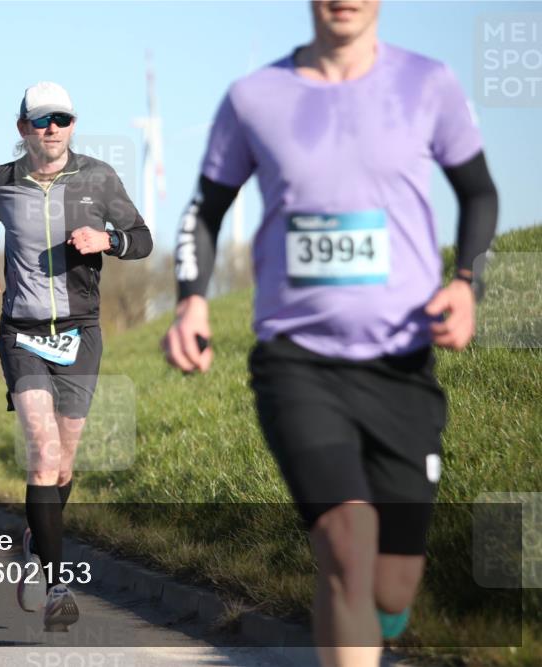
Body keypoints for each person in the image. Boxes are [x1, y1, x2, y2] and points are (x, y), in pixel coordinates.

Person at [163, 2, 498, 665]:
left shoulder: (427, 84)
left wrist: (466, 281)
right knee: (345, 543)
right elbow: (205, 210)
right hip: (297, 363)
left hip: (402, 364)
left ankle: (383, 614)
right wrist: (190, 300)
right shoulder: (254, 98)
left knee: (391, 583)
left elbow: (479, 192)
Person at [0, 81, 152, 631]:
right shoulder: (2, 180)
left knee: (65, 463)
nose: (52, 129)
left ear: (73, 125)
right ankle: (56, 586)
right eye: (41, 120)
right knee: (44, 456)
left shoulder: (99, 177)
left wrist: (109, 241)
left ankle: (36, 535)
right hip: (21, 332)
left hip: (80, 332)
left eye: (62, 119)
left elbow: (141, 237)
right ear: (22, 127)